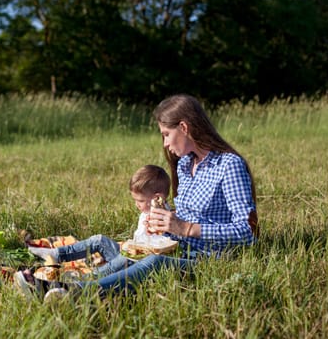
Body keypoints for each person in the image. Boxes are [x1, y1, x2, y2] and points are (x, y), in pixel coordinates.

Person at [17, 94, 259, 300]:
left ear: (184, 128)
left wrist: (186, 228)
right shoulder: (185, 165)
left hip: (208, 261)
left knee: (153, 263)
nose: (165, 144)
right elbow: (188, 216)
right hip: (176, 249)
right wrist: (164, 220)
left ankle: (78, 293)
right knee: (132, 254)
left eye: (166, 134)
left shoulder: (230, 165)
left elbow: (248, 233)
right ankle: (53, 285)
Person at [14, 165, 172, 297]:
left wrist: (152, 229)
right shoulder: (147, 213)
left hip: (135, 260)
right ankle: (57, 253)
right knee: (100, 240)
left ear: (157, 198)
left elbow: (159, 247)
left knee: (121, 260)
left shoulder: (162, 218)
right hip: (131, 254)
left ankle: (74, 284)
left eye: (140, 201)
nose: (137, 205)